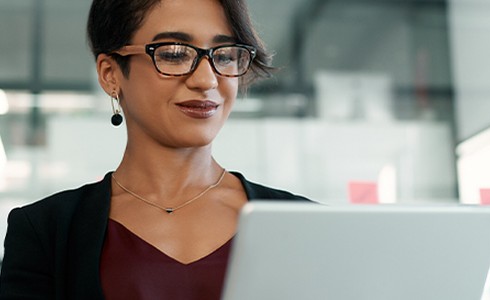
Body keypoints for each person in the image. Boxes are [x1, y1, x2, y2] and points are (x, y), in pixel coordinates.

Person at [0, 0, 310, 298]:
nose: (206, 79)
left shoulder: (306, 225)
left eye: (225, 55)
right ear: (110, 73)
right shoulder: (45, 232)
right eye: (174, 54)